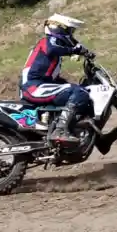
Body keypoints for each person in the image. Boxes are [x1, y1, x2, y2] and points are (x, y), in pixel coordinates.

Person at [19, 14, 100, 146]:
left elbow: (51, 76)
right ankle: (60, 130)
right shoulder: (46, 42)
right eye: (69, 30)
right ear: (58, 29)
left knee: (82, 93)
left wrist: (84, 52)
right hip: (32, 87)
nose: (71, 34)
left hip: (39, 85)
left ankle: (95, 138)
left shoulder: (53, 51)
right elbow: (52, 49)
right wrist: (74, 50)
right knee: (78, 92)